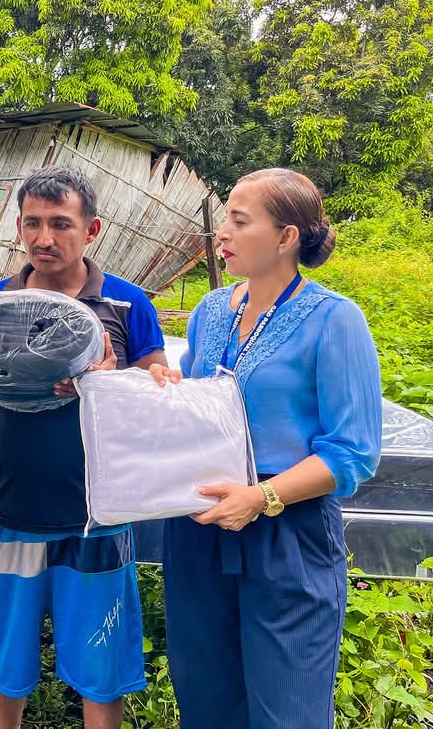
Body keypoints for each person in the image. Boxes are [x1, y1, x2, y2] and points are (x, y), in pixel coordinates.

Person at [151, 167, 382, 729]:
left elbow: (353, 451)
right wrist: (167, 391)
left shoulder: (334, 320)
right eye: (225, 218)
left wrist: (261, 497)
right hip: (201, 527)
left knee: (287, 709)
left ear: (286, 237)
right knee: (205, 698)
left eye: (239, 220)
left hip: (287, 535)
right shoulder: (210, 311)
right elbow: (202, 406)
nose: (222, 233)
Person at [0, 165, 168, 729]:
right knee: (6, 651)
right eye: (33, 223)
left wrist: (108, 385)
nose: (44, 238)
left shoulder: (127, 304)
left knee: (101, 658)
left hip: (96, 515)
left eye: (61, 224)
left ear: (91, 230)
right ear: (19, 226)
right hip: (9, 508)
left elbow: (159, 397)